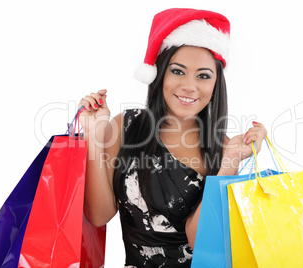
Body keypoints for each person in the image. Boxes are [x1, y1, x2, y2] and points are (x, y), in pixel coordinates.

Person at [78, 8, 267, 267]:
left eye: (203, 75)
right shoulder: (126, 126)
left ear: (215, 85)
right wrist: (94, 135)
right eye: (178, 71)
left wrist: (230, 161)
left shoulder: (225, 149)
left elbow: (199, 240)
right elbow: (98, 215)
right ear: (159, 73)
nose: (190, 85)